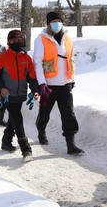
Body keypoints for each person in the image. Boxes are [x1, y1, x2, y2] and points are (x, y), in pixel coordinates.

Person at [33, 11, 84, 154]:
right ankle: (41, 130)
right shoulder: (41, 39)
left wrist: (72, 79)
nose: (57, 24)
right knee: (45, 112)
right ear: (48, 24)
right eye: (53, 21)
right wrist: (41, 83)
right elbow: (37, 62)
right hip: (48, 84)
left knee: (68, 114)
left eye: (59, 21)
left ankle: (71, 143)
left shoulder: (67, 38)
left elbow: (71, 59)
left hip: (65, 83)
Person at [0, 29, 40, 162]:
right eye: (13, 41)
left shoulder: (26, 58)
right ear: (8, 42)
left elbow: (32, 78)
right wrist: (1, 88)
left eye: (19, 40)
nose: (16, 43)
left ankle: (6, 141)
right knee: (17, 118)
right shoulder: (3, 57)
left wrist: (35, 90)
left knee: (14, 117)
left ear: (23, 41)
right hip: (7, 95)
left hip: (21, 94)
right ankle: (26, 149)